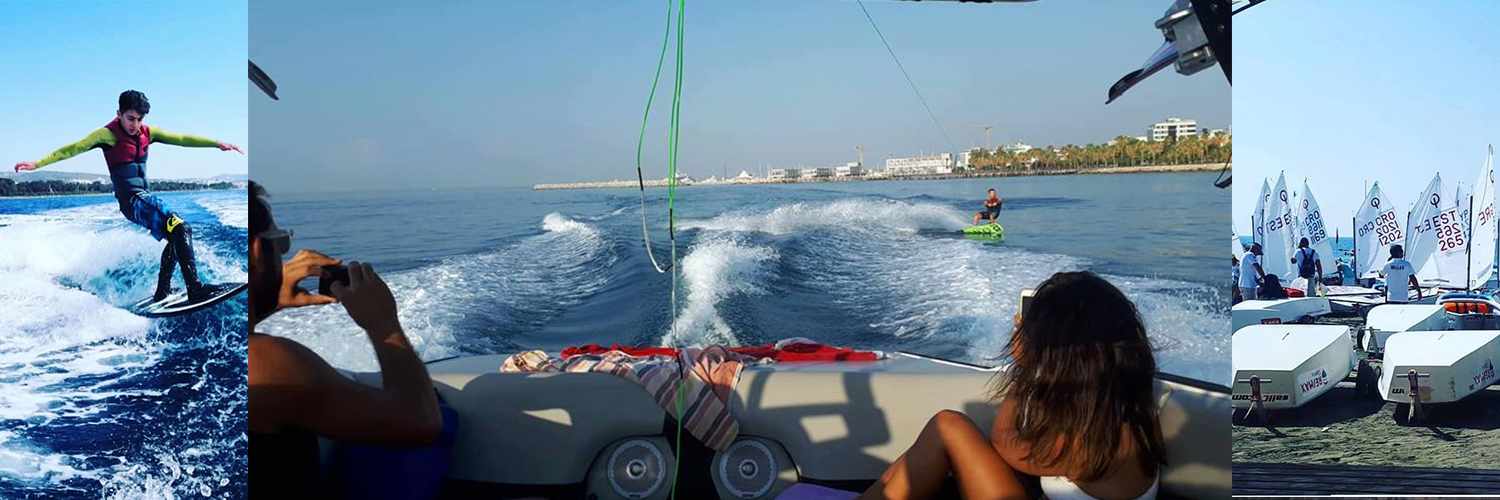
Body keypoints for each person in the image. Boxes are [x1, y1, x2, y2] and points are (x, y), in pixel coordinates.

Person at [861, 272, 1163, 500]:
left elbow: (1005, 442)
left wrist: (1024, 367)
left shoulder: (1094, 438)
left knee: (948, 426)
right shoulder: (1122, 405)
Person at [248, 182, 443, 497]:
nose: (284, 257)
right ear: (258, 250)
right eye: (280, 243)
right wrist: (383, 323)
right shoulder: (271, 365)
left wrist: (265, 303)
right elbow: (420, 421)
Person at [13, 90, 244, 302]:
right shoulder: (106, 134)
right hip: (132, 201)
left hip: (144, 198)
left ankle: (162, 292)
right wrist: (37, 164)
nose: (135, 124)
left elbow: (182, 139)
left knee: (176, 236)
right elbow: (71, 149)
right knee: (182, 228)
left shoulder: (148, 133)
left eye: (139, 119)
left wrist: (216, 144)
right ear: (119, 114)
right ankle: (195, 289)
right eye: (131, 118)